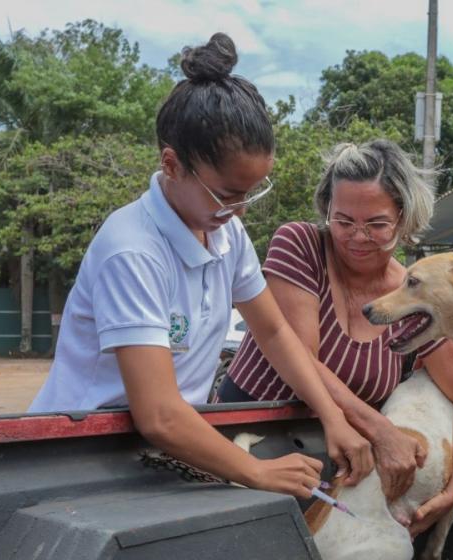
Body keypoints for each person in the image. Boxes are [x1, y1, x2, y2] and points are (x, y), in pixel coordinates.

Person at [29, 34, 370, 501]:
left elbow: (273, 333)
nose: (240, 210)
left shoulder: (226, 233)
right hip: (80, 453)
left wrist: (332, 416)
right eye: (227, 195)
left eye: (250, 193)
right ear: (172, 165)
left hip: (165, 447)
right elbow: (159, 415)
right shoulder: (133, 252)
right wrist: (256, 472)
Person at [217, 139, 453, 536]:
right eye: (343, 221)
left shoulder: (414, 292)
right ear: (326, 209)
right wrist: (381, 431)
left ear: (404, 218)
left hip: (339, 471)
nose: (357, 237)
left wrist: (451, 494)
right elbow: (300, 356)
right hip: (247, 446)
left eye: (376, 225)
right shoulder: (300, 245)